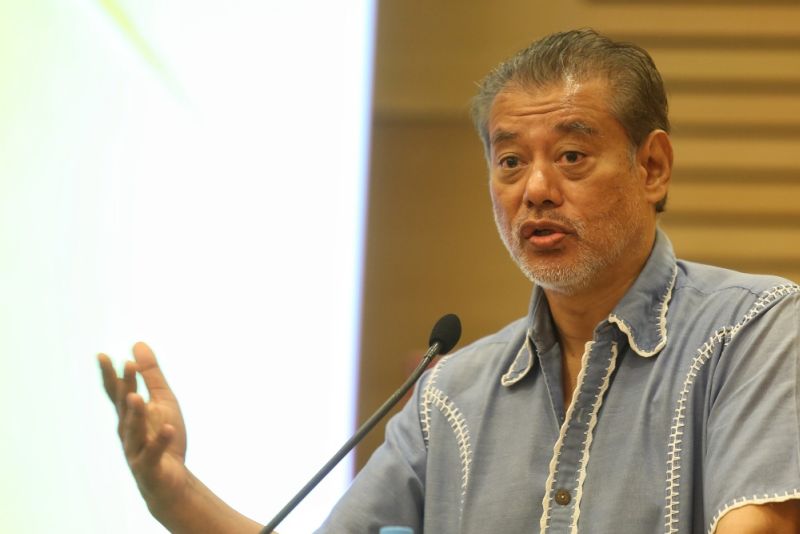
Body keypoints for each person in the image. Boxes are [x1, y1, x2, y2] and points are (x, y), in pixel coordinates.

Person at [99, 29, 800, 533]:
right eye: (509, 163)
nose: (536, 190)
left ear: (652, 168)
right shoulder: (451, 396)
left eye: (572, 154)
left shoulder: (755, 331)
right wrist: (176, 494)